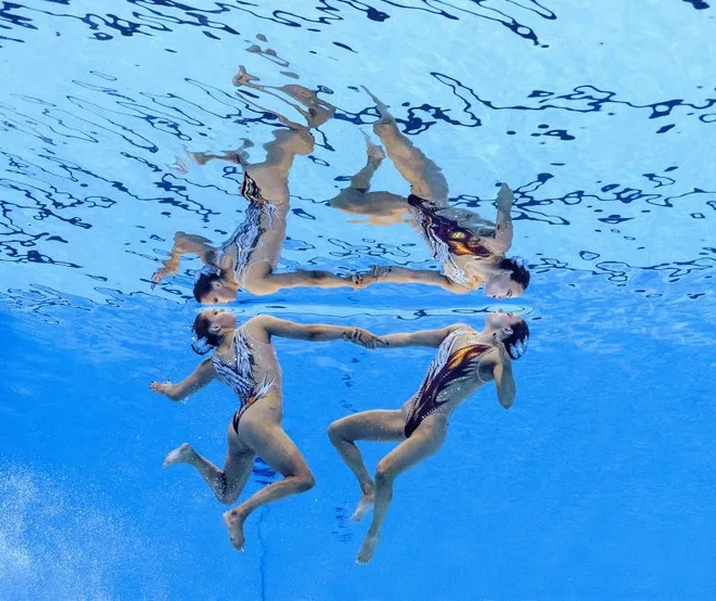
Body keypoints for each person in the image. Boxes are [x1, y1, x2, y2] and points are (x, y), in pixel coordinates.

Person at [151, 310, 385, 551]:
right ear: (215, 328)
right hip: (258, 418)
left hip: (239, 426)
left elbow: (178, 394)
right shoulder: (257, 325)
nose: (222, 308)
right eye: (216, 312)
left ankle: (191, 457)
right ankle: (239, 515)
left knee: (226, 492)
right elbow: (310, 333)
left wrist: (164, 388)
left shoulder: (211, 364)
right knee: (303, 479)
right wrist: (350, 332)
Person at [326, 310, 529, 563]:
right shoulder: (458, 330)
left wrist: (506, 363)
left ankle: (374, 532)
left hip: (431, 427)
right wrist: (377, 341)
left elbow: (507, 401)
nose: (502, 309)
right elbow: (411, 337)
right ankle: (367, 490)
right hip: (404, 415)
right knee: (338, 432)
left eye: (509, 314)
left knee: (384, 471)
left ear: (507, 330)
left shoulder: (494, 358)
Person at [152, 67, 362, 303]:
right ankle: (230, 140)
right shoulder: (216, 260)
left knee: (301, 134)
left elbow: (308, 278)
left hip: (273, 200)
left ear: (218, 285)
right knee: (300, 139)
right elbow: (182, 240)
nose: (223, 304)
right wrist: (172, 263)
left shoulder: (254, 283)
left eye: (216, 301)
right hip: (252, 193)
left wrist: (346, 281)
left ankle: (251, 85)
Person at [333, 89, 530, 298]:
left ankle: (373, 162)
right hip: (432, 198)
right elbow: (504, 205)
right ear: (509, 274)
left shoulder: (462, 284)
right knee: (387, 132)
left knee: (344, 203)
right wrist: (506, 180)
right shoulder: (498, 245)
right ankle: (370, 93)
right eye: (509, 293)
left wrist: (377, 276)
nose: (501, 299)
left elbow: (415, 277)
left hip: (412, 216)